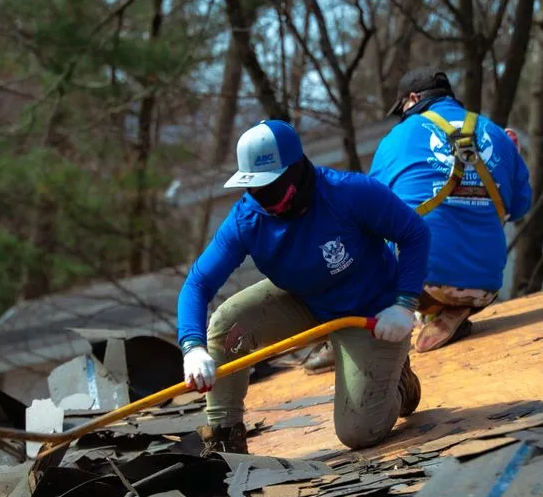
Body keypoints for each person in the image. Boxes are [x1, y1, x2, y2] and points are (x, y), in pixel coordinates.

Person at [177, 118, 431, 455]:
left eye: (272, 187)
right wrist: (192, 346)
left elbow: (415, 234)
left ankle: (398, 383)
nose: (264, 199)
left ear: (296, 169)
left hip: (372, 313)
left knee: (358, 432)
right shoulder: (246, 220)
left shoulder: (349, 193)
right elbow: (198, 282)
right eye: (254, 188)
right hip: (307, 300)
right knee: (227, 325)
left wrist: (404, 303)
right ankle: (225, 437)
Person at [369, 66, 532, 352]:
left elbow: (369, 213)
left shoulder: (396, 139)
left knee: (375, 231)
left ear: (412, 99)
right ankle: (449, 310)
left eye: (402, 109)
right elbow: (519, 208)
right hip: (487, 285)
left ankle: (354, 333)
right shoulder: (496, 133)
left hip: (417, 285)